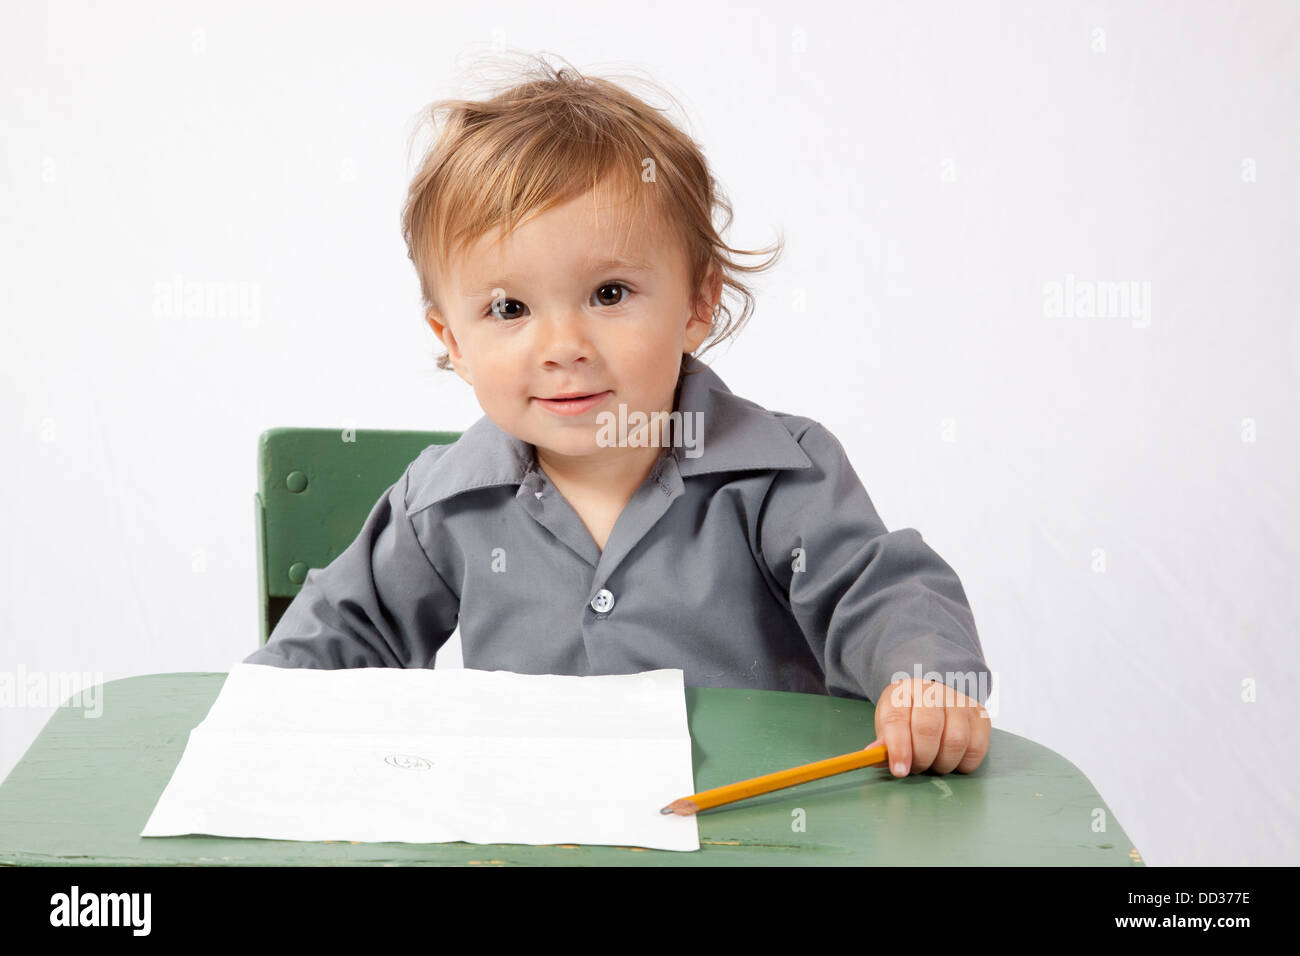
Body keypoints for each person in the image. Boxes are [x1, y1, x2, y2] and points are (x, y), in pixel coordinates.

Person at [246, 56, 992, 778]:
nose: (563, 347)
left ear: (699, 303)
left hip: (757, 835)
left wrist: (922, 680)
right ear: (454, 343)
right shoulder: (441, 505)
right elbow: (340, 637)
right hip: (533, 837)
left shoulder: (779, 476)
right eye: (509, 308)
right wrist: (255, 719)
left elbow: (882, 591)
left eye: (608, 294)